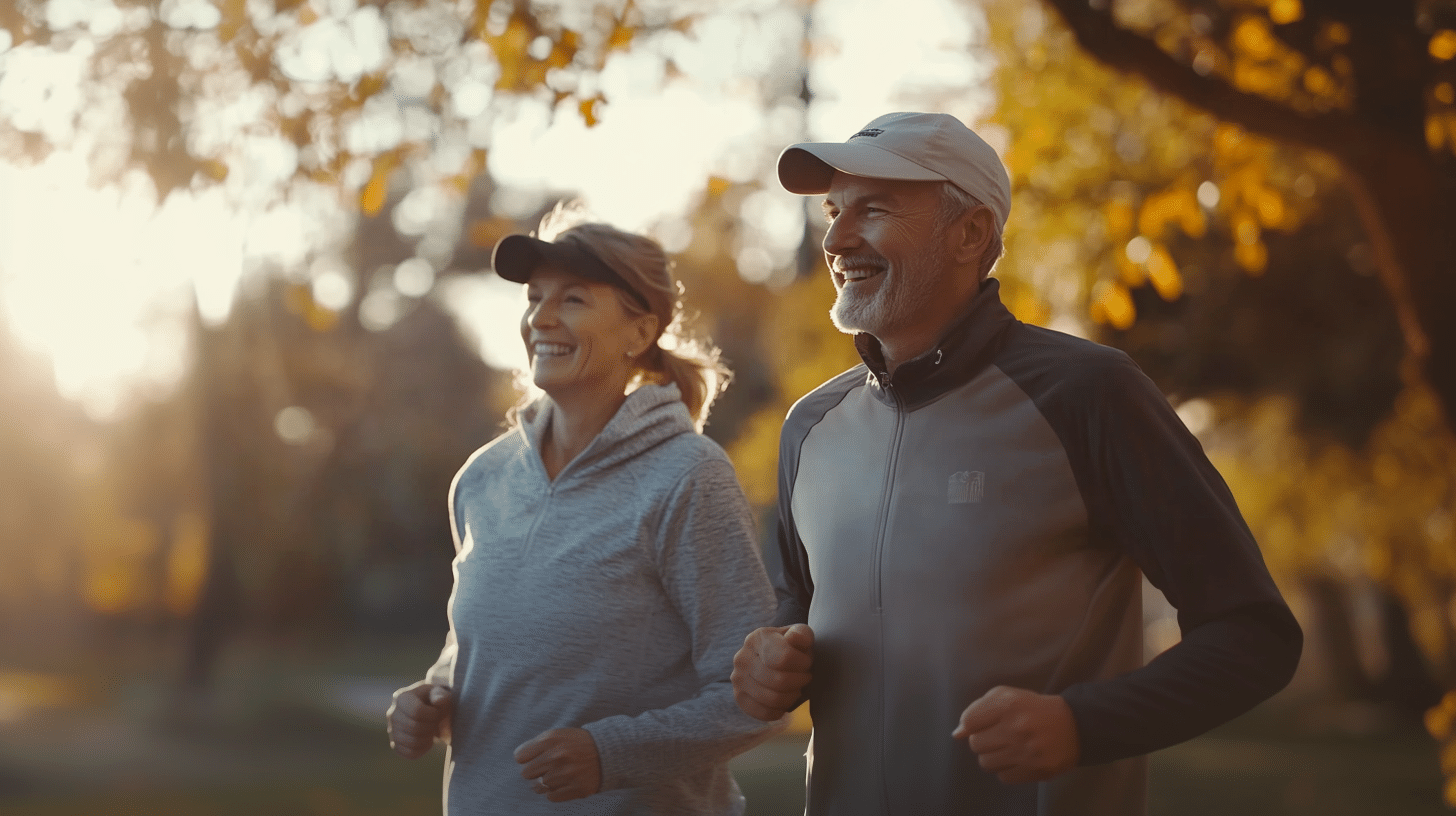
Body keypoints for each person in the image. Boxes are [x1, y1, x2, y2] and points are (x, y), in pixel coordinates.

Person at [729, 112, 1303, 815]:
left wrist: (1084, 723)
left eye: (873, 210)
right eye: (833, 211)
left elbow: (1254, 635)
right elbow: (793, 608)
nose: (838, 239)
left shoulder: (1090, 393)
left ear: (969, 233)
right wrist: (769, 661)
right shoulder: (808, 427)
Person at [387, 210, 783, 815]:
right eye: (535, 297)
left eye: (573, 299)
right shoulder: (483, 479)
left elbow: (756, 698)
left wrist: (611, 752)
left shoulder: (687, 476)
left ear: (640, 332)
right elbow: (479, 645)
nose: (541, 318)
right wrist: (436, 695)